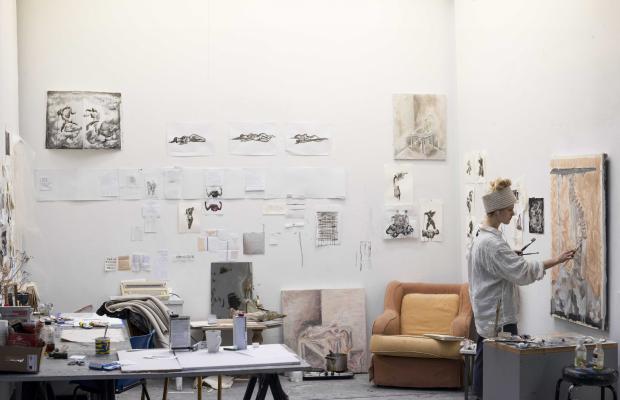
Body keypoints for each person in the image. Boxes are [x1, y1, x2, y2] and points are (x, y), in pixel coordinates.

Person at [467, 178, 575, 399]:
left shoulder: (479, 236)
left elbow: (497, 266)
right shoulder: (493, 244)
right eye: (509, 209)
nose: (513, 213)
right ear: (497, 212)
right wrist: (556, 260)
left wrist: (509, 258)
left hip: (486, 313)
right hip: (498, 318)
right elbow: (523, 273)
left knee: (484, 363)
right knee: (500, 373)